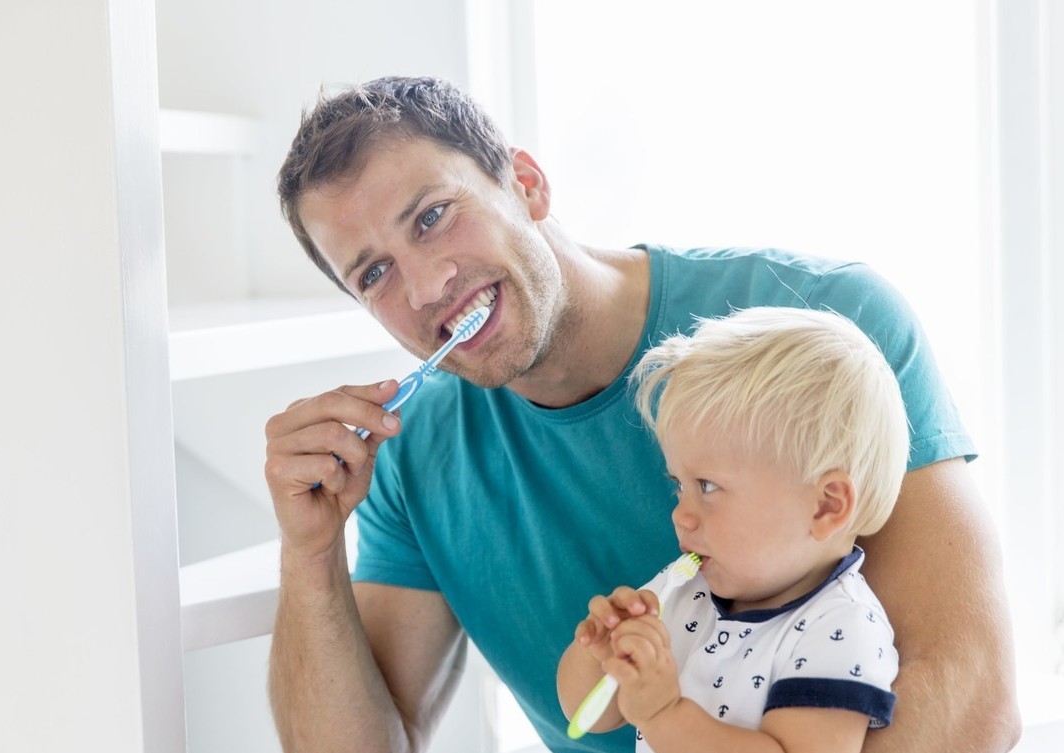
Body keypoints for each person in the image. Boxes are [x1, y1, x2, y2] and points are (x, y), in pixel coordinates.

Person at [264, 75, 1020, 753]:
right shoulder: (410, 456)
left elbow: (972, 698)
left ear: (526, 184)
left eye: (431, 217)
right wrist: (308, 554)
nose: (425, 287)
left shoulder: (829, 326)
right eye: (374, 272)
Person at [557, 307, 908, 752]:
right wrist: (604, 658)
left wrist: (664, 714)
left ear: (825, 506)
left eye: (707, 486)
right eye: (678, 486)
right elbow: (583, 713)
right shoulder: (682, 590)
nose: (680, 515)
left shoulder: (840, 627)